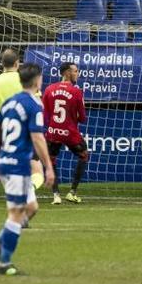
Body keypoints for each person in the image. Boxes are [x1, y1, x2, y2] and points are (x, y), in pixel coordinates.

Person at [0, 63, 55, 275]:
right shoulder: (34, 105)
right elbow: (37, 137)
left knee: (31, 207)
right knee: (15, 214)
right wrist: (48, 167)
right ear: (37, 81)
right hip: (18, 166)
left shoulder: (8, 103)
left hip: (5, 162)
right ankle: (4, 263)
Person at [0, 49, 44, 224]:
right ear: (17, 64)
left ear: (2, 64)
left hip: (5, 133)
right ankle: (28, 193)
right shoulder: (24, 80)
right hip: (28, 132)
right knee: (37, 170)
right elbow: (38, 102)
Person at [42, 62, 87, 205]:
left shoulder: (49, 89)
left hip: (53, 132)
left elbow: (44, 115)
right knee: (84, 155)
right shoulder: (76, 91)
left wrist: (53, 127)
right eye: (75, 71)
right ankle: (72, 192)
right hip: (70, 132)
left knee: (51, 160)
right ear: (67, 73)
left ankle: (56, 195)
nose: (77, 74)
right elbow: (83, 118)